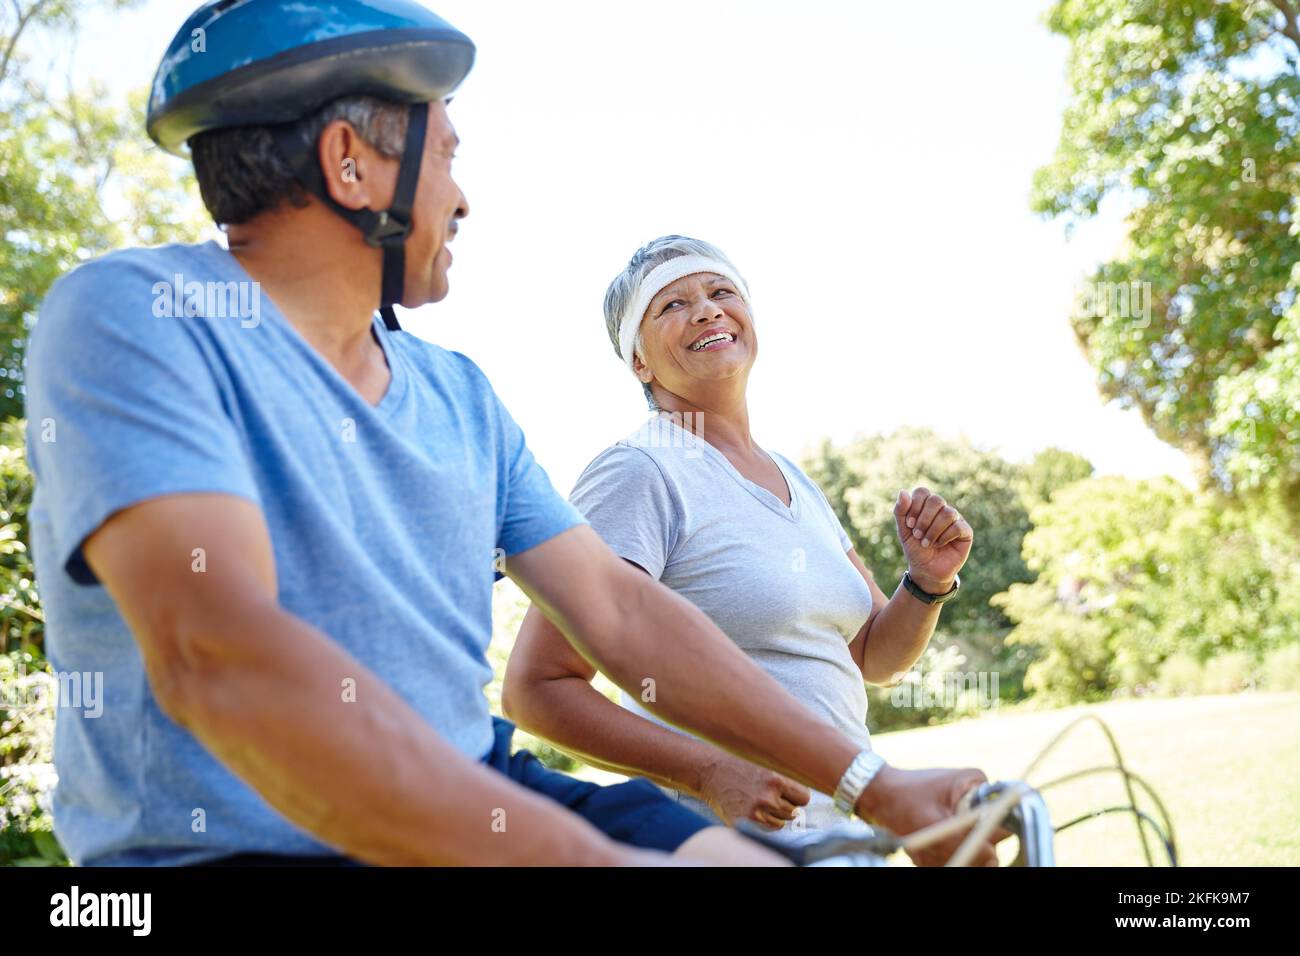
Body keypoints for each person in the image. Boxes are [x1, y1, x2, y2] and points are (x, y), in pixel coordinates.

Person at [23, 0, 1000, 867]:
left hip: (484, 785)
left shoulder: (459, 394)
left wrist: (873, 783)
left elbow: (615, 609)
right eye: (447, 154)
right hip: (238, 845)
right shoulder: (137, 316)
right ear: (350, 164)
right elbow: (218, 653)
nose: (463, 196)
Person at [504, 236, 975, 843]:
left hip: (845, 838)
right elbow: (537, 687)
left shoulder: (795, 479)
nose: (706, 310)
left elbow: (872, 659)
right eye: (671, 305)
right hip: (726, 844)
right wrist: (708, 772)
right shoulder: (639, 472)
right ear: (639, 361)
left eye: (722, 292)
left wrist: (927, 581)